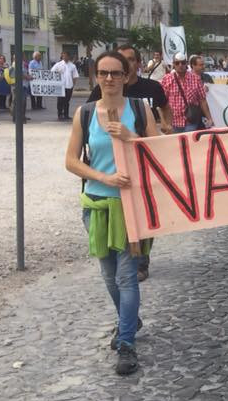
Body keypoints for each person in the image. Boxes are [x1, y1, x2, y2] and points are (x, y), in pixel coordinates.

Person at [64, 50, 159, 375]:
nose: (109, 79)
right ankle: (129, 320)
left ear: (126, 75)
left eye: (115, 73)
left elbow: (161, 151)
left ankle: (127, 343)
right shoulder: (85, 113)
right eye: (103, 73)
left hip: (131, 205)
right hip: (97, 205)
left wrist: (132, 139)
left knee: (126, 275)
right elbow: (71, 160)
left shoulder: (138, 109)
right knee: (108, 276)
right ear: (95, 75)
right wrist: (103, 177)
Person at [87, 45, 171, 281]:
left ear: (135, 65)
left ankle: (141, 260)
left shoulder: (151, 90)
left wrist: (165, 123)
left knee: (142, 222)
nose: (111, 76)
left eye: (129, 61)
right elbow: (89, 123)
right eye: (105, 72)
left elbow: (164, 108)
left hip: (142, 174)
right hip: (110, 179)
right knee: (115, 264)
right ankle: (124, 270)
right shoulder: (99, 93)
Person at [161, 52, 212, 133]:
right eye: (177, 63)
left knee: (189, 145)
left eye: (183, 62)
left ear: (186, 63)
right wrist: (164, 122)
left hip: (191, 121)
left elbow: (202, 100)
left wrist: (209, 118)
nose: (180, 65)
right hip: (173, 123)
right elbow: (162, 103)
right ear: (173, 64)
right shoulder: (167, 79)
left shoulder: (196, 79)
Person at [51, 51, 80, 121]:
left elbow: (75, 76)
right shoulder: (58, 64)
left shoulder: (72, 66)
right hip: (60, 86)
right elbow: (51, 72)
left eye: (66, 55)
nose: (64, 57)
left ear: (69, 57)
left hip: (69, 86)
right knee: (60, 101)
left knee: (67, 101)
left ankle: (66, 115)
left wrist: (73, 84)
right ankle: (60, 115)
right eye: (63, 55)